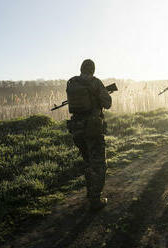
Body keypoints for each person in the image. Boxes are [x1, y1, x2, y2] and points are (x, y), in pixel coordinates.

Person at [66, 59, 112, 210]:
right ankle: (95, 199)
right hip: (92, 129)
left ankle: (90, 192)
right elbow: (107, 103)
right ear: (92, 69)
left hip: (77, 128)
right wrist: (103, 95)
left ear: (81, 69)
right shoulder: (95, 83)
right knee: (99, 164)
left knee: (88, 161)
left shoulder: (71, 83)